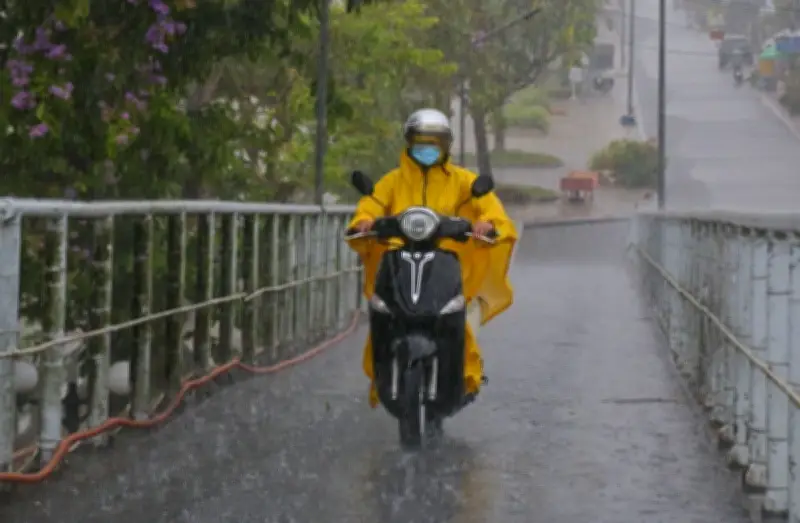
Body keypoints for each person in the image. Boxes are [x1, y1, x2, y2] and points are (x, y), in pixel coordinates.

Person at [347, 108, 518, 408]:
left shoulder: (465, 182)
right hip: (399, 261)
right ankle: (384, 372)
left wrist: (487, 224)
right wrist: (364, 221)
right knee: (383, 310)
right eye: (421, 141)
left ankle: (465, 375)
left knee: (461, 316)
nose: (428, 148)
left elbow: (490, 208)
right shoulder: (392, 181)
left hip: (451, 263)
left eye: (435, 141)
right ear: (409, 142)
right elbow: (371, 203)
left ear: (446, 145)